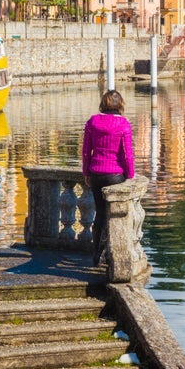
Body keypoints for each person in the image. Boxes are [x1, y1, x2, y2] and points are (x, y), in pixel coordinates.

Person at [81, 89, 134, 263]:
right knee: (114, 215)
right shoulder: (124, 124)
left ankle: (96, 253)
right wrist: (130, 175)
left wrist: (86, 172)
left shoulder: (92, 122)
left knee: (100, 214)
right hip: (115, 175)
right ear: (121, 105)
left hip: (96, 172)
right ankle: (108, 254)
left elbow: (86, 151)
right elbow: (127, 154)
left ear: (103, 104)